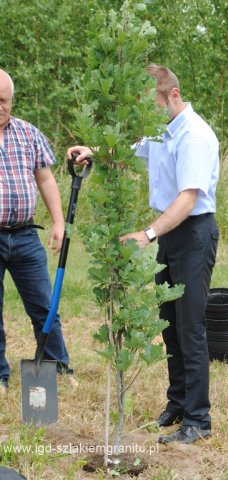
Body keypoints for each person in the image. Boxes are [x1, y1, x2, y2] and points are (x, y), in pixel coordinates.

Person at [67, 64, 219, 444]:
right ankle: (177, 405)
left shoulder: (195, 136)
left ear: (174, 95)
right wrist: (93, 151)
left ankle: (198, 421)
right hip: (170, 236)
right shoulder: (162, 131)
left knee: (190, 328)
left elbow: (188, 198)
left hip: (192, 234)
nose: (149, 117)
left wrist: (148, 234)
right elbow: (130, 150)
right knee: (170, 324)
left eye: (153, 106)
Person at [0, 69, 72, 395]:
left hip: (26, 234)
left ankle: (57, 366)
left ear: (12, 100)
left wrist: (58, 222)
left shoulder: (28, 133)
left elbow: (45, 179)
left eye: (4, 100)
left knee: (45, 305)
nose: (0, 106)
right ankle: (0, 376)